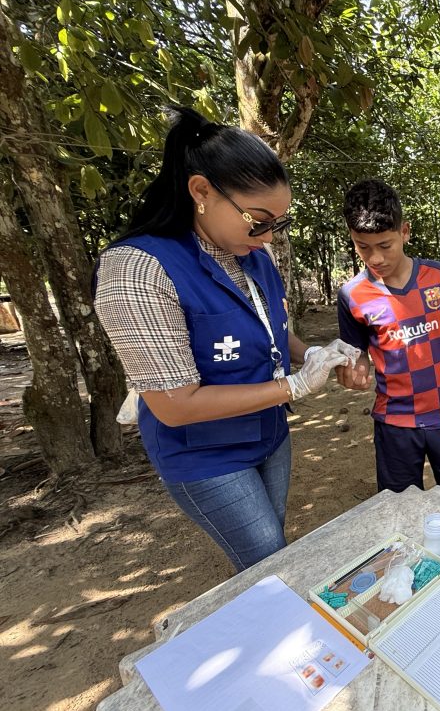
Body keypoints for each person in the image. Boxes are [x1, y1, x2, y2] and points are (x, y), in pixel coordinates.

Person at [94, 106, 354, 573]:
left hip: (269, 434)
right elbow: (175, 404)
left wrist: (314, 353)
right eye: (258, 220)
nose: (267, 235)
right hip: (204, 453)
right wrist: (294, 387)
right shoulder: (137, 270)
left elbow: (274, 331)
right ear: (201, 192)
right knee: (269, 562)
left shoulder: (253, 255)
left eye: (277, 222)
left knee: (268, 553)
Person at [336, 179, 440, 496]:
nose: (375, 258)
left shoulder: (437, 276)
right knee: (400, 507)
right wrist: (353, 371)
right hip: (394, 422)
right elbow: (357, 355)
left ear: (405, 232)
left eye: (385, 245)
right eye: (363, 246)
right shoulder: (351, 295)